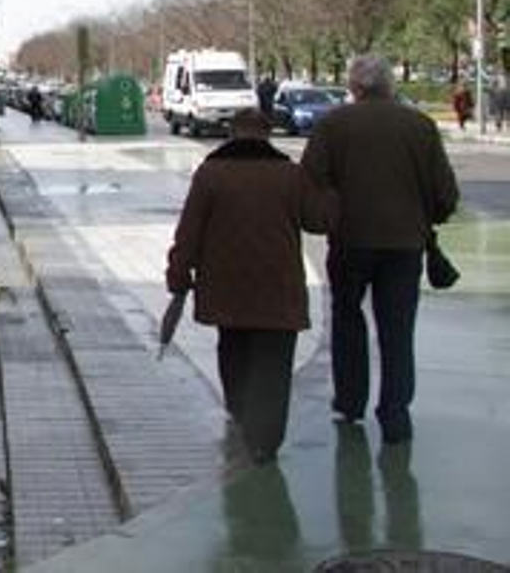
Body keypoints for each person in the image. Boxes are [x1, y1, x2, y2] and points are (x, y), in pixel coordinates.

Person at [302, 55, 459, 445]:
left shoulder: (333, 125)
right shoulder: (420, 126)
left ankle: (350, 401)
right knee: (397, 330)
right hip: (405, 244)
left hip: (350, 240)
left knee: (347, 319)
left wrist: (326, 218)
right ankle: (395, 414)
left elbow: (309, 182)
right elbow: (444, 193)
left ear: (354, 87)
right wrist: (428, 218)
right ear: (391, 85)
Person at [166, 108, 332, 464]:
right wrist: (331, 187)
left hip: (226, 285)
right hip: (279, 285)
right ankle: (267, 439)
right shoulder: (290, 174)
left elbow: (189, 231)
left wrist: (178, 275)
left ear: (232, 134)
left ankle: (241, 413)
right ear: (267, 134)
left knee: (234, 350)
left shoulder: (211, 174)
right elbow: (318, 221)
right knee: (274, 363)